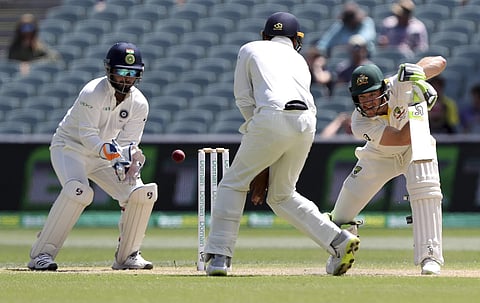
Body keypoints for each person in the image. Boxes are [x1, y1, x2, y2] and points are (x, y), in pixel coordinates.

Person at [203, 12, 360, 277]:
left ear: (265, 35)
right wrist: (263, 155)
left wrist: (260, 149)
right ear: (296, 39)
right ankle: (337, 239)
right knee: (282, 195)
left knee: (233, 183)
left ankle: (219, 256)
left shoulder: (249, 48)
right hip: (307, 122)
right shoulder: (299, 60)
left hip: (271, 117)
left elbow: (244, 99)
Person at [27, 42, 158, 271]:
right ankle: (41, 255)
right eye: (122, 72)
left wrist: (132, 161)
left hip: (104, 155)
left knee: (140, 194)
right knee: (78, 192)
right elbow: (86, 135)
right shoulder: (92, 92)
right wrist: (110, 152)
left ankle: (128, 256)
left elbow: (128, 143)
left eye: (132, 74)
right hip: (70, 148)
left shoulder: (140, 103)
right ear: (109, 70)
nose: (126, 79)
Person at [329, 56, 447, 275]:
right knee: (341, 215)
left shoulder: (399, 84)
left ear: (384, 87)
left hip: (416, 144)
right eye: (362, 98)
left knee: (426, 190)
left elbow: (440, 62)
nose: (369, 103)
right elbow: (401, 138)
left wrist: (417, 72)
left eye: (373, 94)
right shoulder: (359, 122)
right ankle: (340, 251)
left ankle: (430, 256)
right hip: (379, 156)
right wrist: (419, 107)